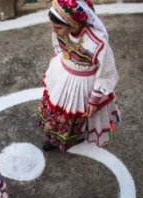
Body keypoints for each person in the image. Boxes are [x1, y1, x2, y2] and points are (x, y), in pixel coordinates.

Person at [36, 0, 121, 152]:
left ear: (74, 24)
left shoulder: (97, 44)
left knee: (75, 116)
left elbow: (107, 73)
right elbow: (58, 48)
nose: (54, 31)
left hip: (83, 84)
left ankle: (71, 138)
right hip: (62, 73)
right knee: (54, 108)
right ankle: (54, 137)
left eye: (58, 27)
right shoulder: (61, 31)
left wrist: (95, 99)